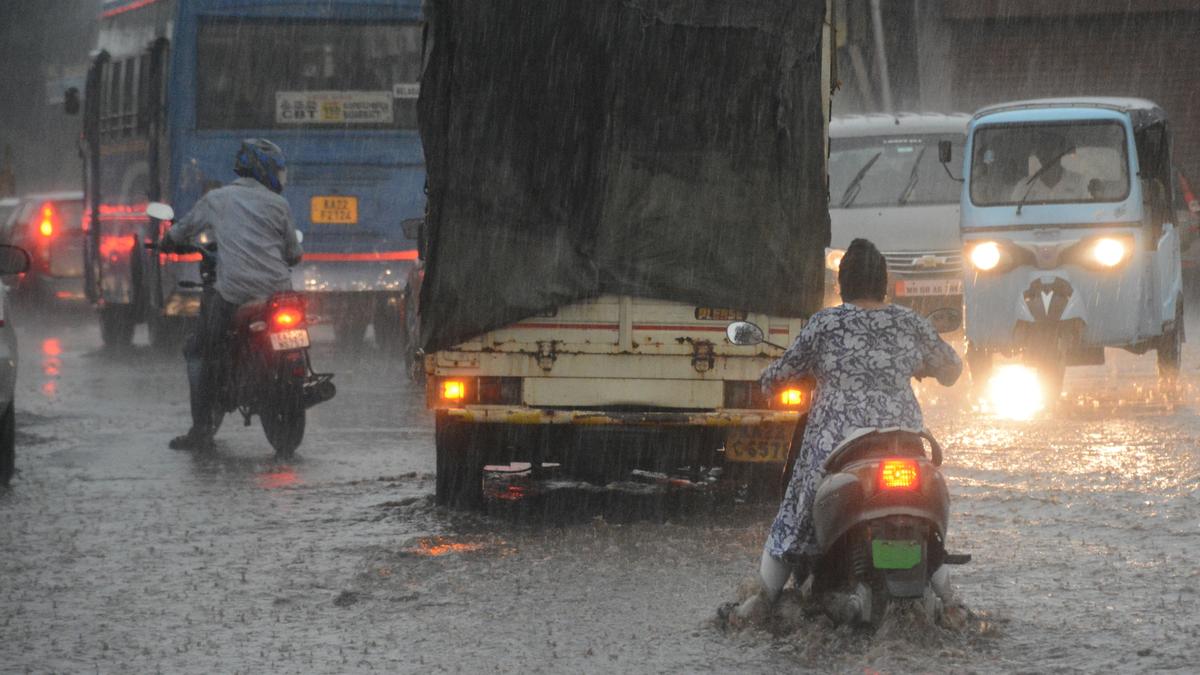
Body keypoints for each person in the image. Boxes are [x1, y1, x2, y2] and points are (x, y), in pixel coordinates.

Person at [722, 238, 962, 626]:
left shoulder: (826, 323)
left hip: (838, 444)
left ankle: (761, 600)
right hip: (903, 441)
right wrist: (921, 366)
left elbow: (778, 376)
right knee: (921, 516)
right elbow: (952, 368)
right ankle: (952, 600)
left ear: (843, 285)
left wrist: (770, 381)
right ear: (883, 282)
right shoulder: (909, 322)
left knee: (795, 512)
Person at [163, 139, 303, 450]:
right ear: (265, 171)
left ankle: (201, 430)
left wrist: (168, 242)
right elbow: (294, 254)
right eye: (278, 172)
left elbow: (180, 231)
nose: (281, 178)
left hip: (234, 292)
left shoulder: (218, 199)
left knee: (201, 350)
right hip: (279, 293)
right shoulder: (280, 205)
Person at [1009, 133, 1086, 203]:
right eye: (1042, 150)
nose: (1046, 153)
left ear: (1061, 152)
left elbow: (1089, 213)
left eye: (1051, 148)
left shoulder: (1078, 182)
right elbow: (1012, 214)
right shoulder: (1024, 187)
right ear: (1038, 155)